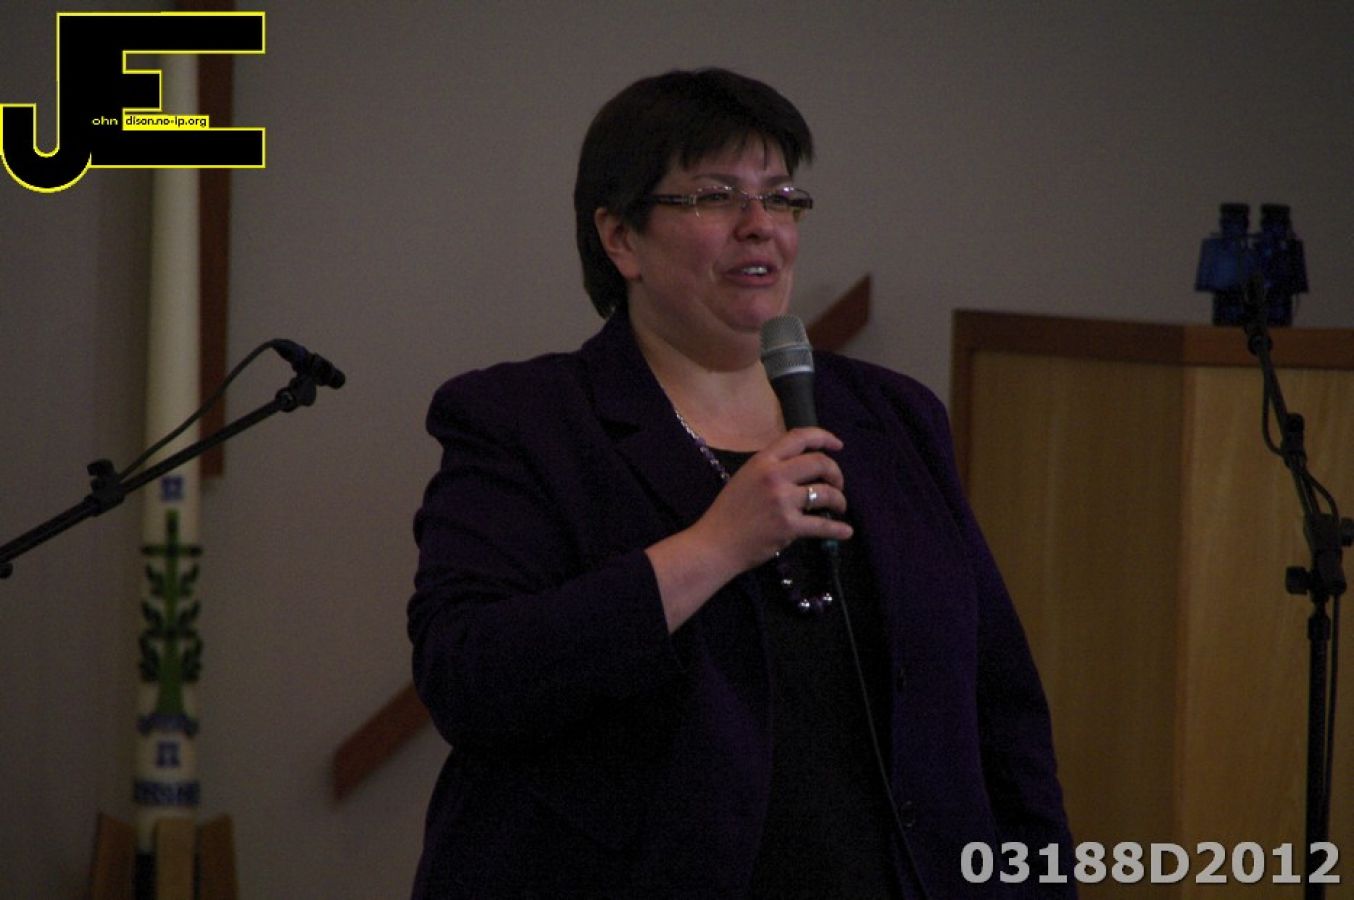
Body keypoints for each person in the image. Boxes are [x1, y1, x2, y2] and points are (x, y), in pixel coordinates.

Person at [408, 68, 1074, 898]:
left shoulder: (893, 417)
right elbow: (471, 678)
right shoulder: (526, 421)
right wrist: (714, 547)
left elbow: (1000, 706)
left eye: (781, 197)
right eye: (715, 197)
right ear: (620, 238)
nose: (760, 226)